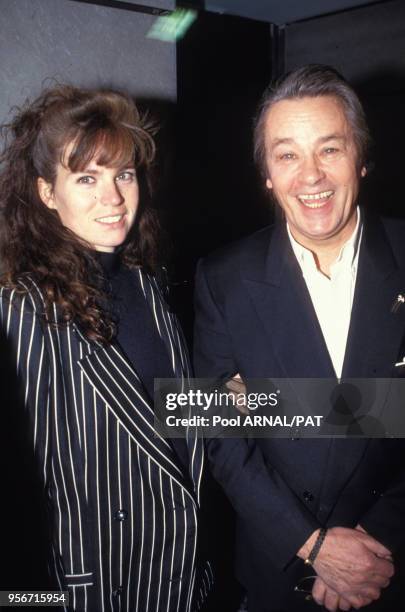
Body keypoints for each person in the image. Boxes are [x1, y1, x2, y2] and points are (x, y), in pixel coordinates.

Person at [193, 65, 405, 612]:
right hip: (276, 570)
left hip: (388, 567)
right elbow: (212, 426)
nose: (310, 176)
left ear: (360, 156)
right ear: (267, 174)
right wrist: (311, 543)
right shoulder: (223, 277)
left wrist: (374, 542)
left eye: (329, 149)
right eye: (287, 155)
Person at [0, 85, 210, 612]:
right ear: (47, 192)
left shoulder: (151, 286)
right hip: (92, 591)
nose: (113, 198)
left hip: (180, 583)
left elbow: (174, 421)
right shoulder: (23, 309)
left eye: (123, 174)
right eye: (86, 178)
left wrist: (364, 410)